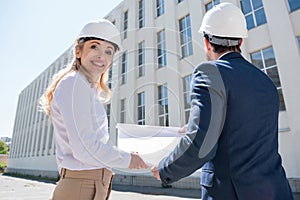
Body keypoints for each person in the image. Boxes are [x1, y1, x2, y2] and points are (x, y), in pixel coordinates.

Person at [152, 3, 293, 200]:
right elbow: (243, 127)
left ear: (207, 42)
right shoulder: (266, 81)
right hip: (277, 191)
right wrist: (196, 124)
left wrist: (165, 168)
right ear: (241, 41)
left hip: (232, 193)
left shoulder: (208, 73)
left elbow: (201, 145)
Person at [39, 19, 148, 200]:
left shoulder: (84, 86)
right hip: (82, 185)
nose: (101, 56)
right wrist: (129, 160)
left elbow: (92, 143)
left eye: (108, 51)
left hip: (90, 184)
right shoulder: (74, 83)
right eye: (94, 47)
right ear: (78, 51)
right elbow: (85, 149)